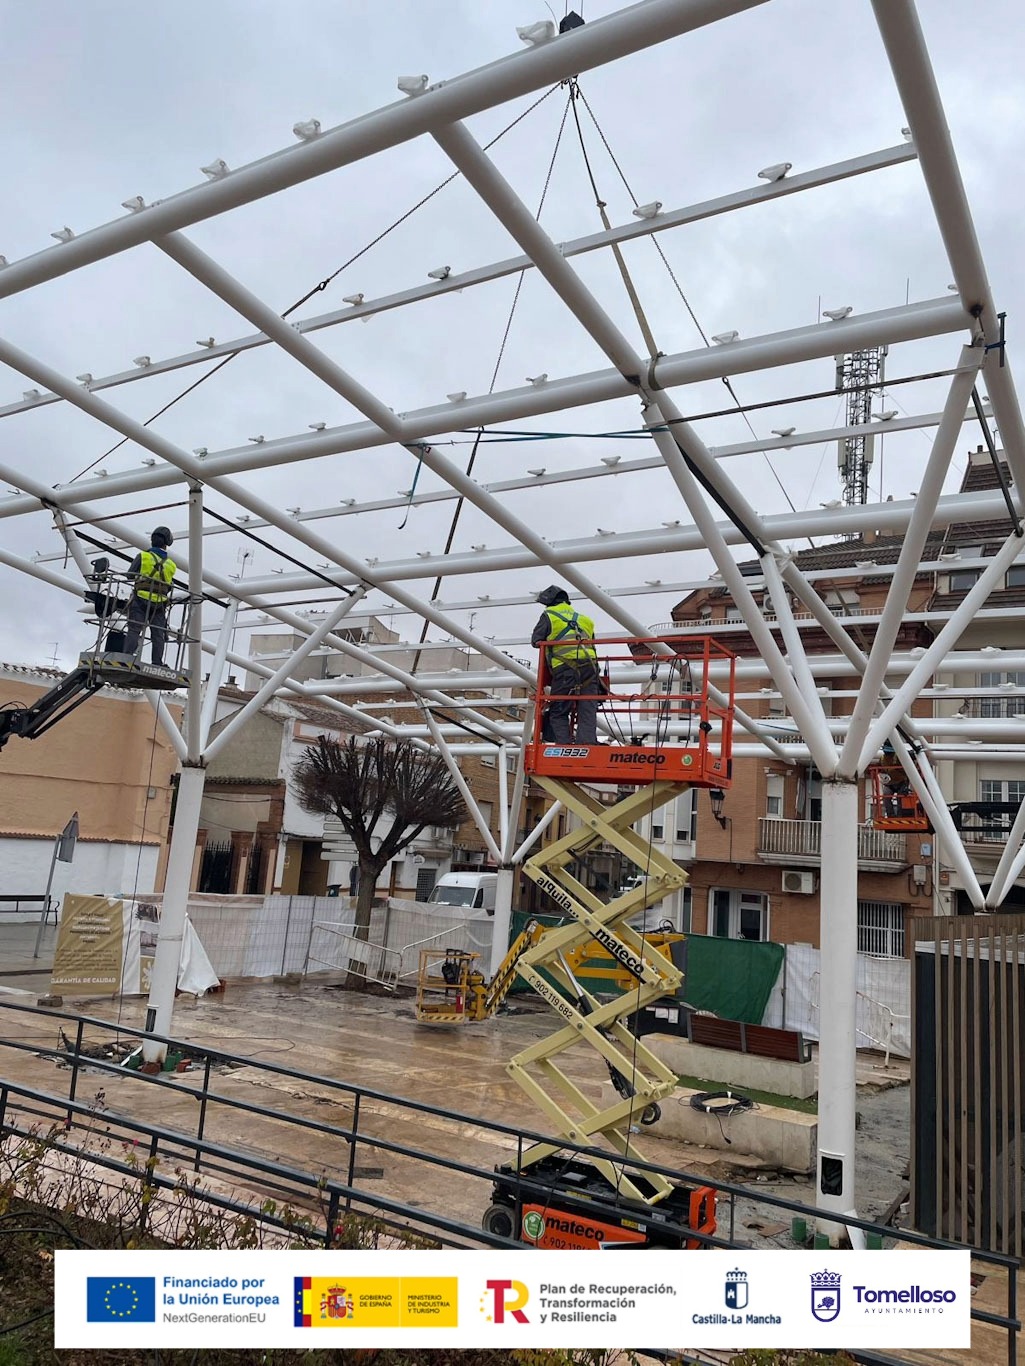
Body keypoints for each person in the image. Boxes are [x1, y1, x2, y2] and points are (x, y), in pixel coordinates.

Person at [531, 585, 602, 744]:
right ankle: (587, 743)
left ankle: (564, 745)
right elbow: (591, 644)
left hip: (565, 667)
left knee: (558, 710)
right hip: (590, 667)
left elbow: (536, 641)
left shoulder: (549, 615)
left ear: (549, 602)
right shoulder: (585, 619)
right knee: (588, 707)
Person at [123, 526, 177, 666]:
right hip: (159, 604)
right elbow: (169, 586)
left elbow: (129, 576)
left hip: (140, 599)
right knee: (158, 634)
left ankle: (127, 658)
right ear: (167, 543)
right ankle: (157, 662)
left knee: (134, 629)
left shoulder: (143, 556)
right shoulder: (171, 565)